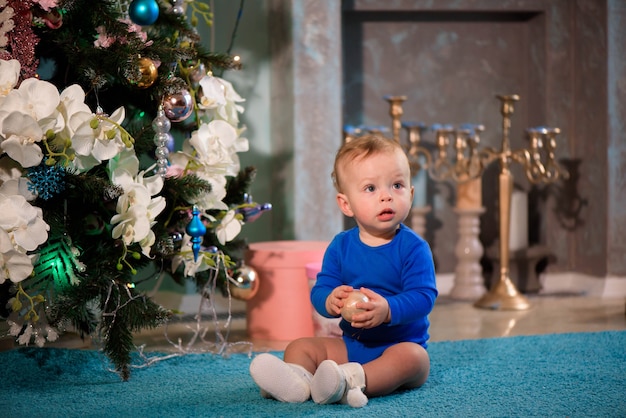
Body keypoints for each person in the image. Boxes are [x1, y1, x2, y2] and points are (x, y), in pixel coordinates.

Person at [249, 133, 438, 408]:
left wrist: (387, 310)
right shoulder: (340, 246)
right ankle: (298, 382)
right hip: (352, 345)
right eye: (371, 189)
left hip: (397, 345)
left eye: (397, 185)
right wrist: (329, 300)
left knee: (415, 360)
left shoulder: (413, 248)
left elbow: (424, 297)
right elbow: (321, 289)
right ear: (346, 204)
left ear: (410, 194)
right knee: (299, 347)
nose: (386, 196)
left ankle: (349, 380)